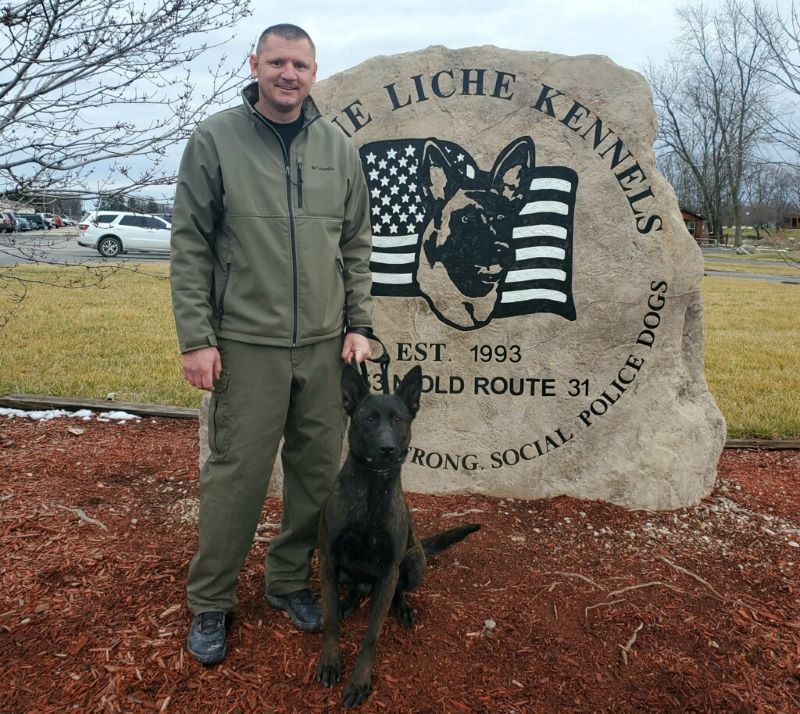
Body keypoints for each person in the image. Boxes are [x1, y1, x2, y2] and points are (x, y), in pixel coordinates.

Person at [170, 23, 373, 666]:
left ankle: (288, 582)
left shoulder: (338, 150)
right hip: (245, 345)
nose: (289, 74)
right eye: (277, 62)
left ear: (315, 72)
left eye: (301, 65)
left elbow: (356, 246)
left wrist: (358, 324)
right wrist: (197, 338)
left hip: (322, 347)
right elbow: (191, 243)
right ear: (255, 63)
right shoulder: (216, 139)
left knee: (315, 475)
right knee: (237, 478)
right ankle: (211, 600)